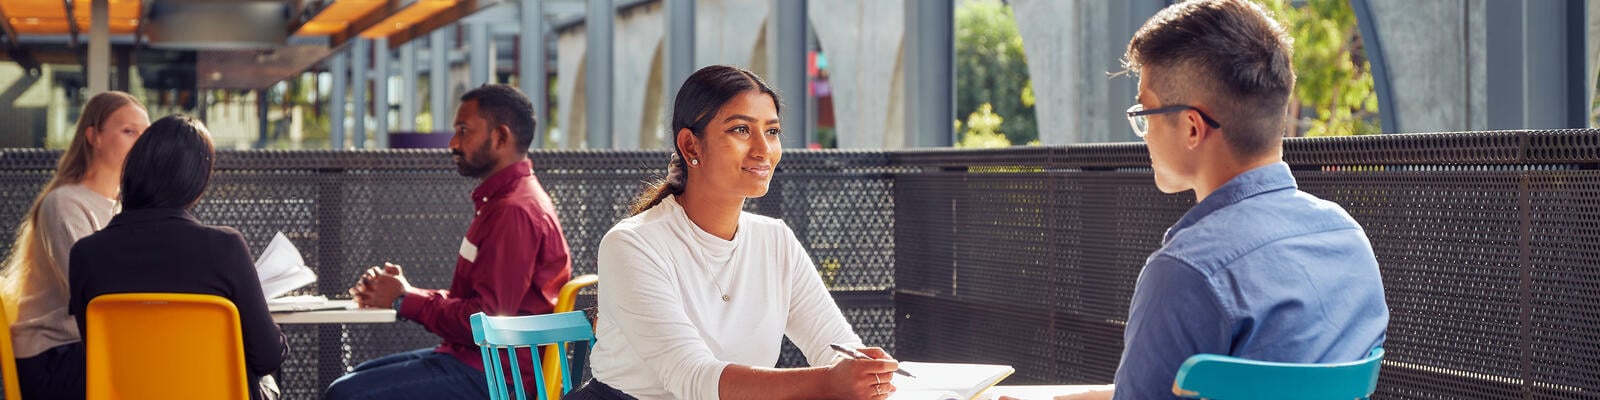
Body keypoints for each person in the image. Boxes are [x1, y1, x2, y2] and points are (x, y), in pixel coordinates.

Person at [1034, 1, 1389, 399]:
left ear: (1190, 127)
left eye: (1145, 113)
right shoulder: (1347, 238)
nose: (1144, 132)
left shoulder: (1187, 271)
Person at [571, 65, 898, 400]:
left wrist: (864, 374)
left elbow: (836, 348)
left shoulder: (776, 241)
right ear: (691, 146)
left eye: (772, 132)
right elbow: (694, 378)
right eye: (741, 130)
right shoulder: (631, 244)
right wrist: (829, 382)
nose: (763, 150)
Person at [327, 84, 574, 400]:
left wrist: (405, 301)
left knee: (347, 394)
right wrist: (404, 292)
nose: (453, 142)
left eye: (463, 131)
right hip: (480, 363)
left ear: (500, 137)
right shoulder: (509, 202)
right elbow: (485, 305)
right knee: (350, 383)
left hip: (499, 377)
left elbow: (486, 320)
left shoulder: (513, 211)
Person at [67, 115, 288, 400]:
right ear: (196, 180)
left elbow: (96, 356)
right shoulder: (225, 248)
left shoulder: (85, 254)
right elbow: (268, 356)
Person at [1, 91, 149, 400]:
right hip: (54, 358)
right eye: (128, 131)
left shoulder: (124, 207)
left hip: (90, 349)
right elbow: (95, 293)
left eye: (146, 133)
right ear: (93, 136)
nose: (141, 141)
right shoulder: (65, 203)